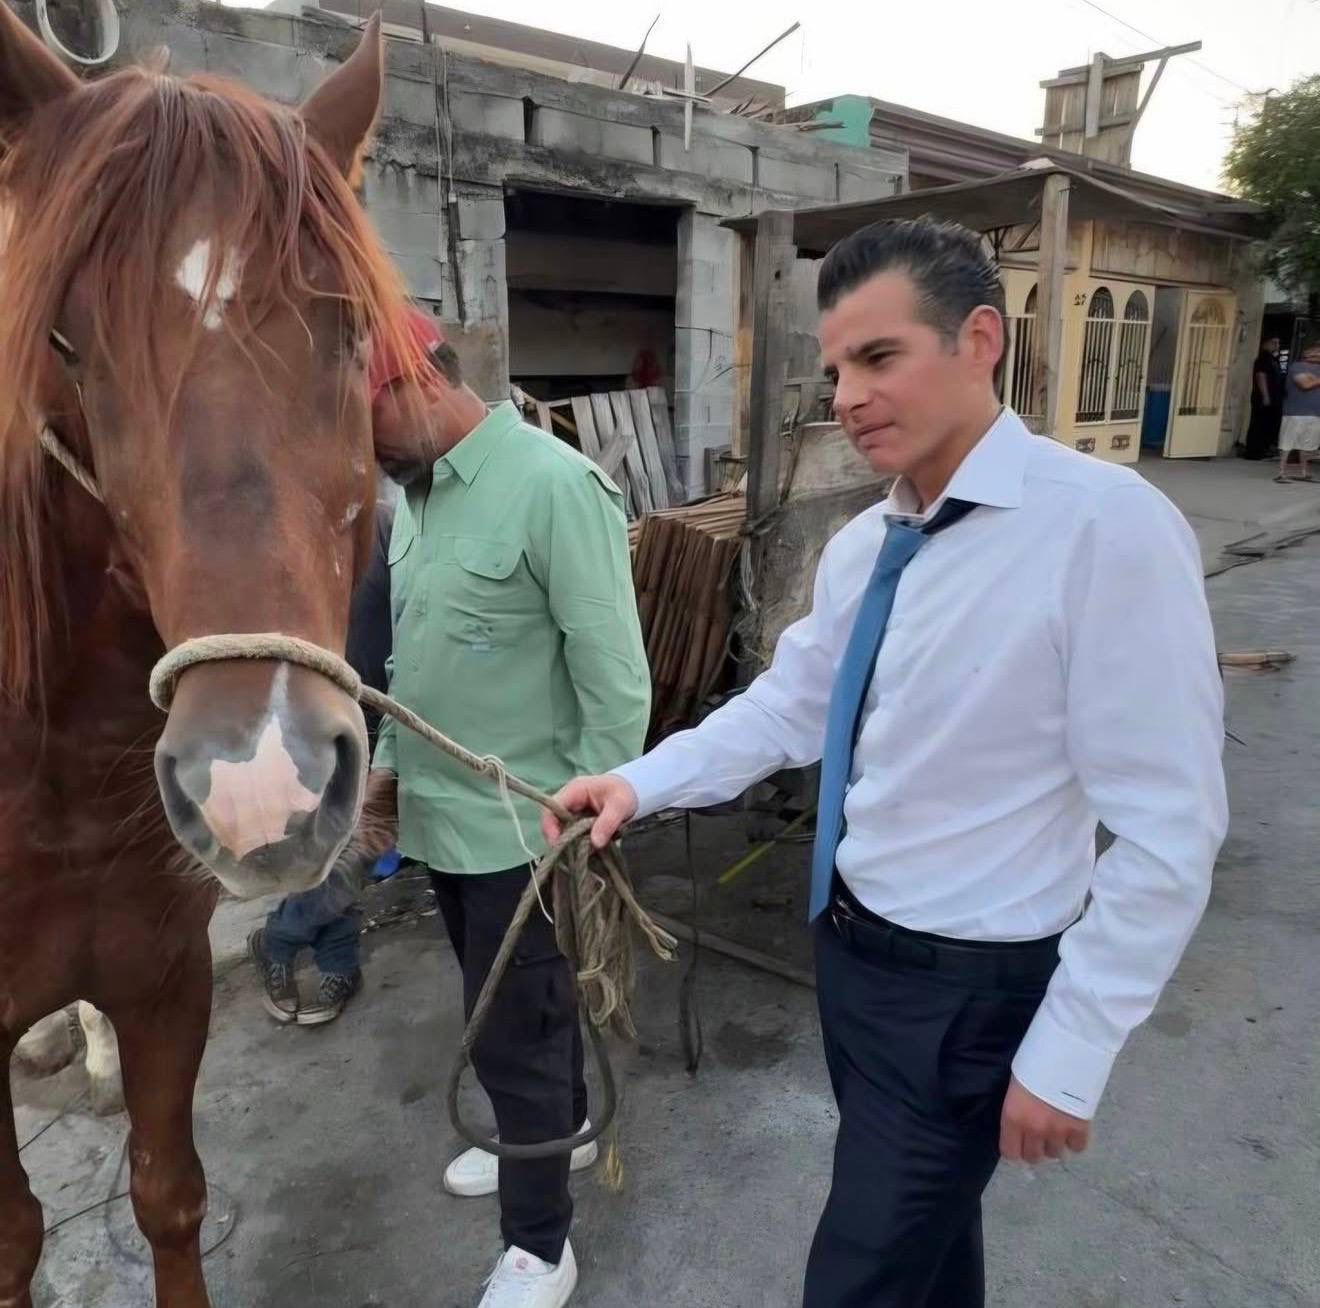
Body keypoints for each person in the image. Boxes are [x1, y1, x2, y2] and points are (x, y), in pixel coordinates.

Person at [546, 218, 1228, 1308]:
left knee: (860, 1276)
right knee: (928, 1251)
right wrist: (641, 782)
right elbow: (794, 704)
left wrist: (1071, 1049)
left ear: (979, 341)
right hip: (855, 952)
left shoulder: (1105, 532)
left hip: (972, 993)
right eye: (835, 371)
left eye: (879, 357)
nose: (850, 397)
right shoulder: (868, 543)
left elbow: (1170, 825)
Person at [366, 332, 650, 1308]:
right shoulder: (412, 501)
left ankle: (540, 1246)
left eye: (365, 421)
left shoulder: (554, 485)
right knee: (511, 1018)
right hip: (443, 825)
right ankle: (554, 1142)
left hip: (526, 835)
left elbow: (616, 686)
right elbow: (407, 664)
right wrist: (387, 771)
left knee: (515, 1037)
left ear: (421, 380)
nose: (364, 453)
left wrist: (584, 826)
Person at [247, 494, 396, 1025]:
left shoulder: (384, 523)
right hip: (301, 726)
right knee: (321, 851)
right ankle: (338, 961)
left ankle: (279, 936)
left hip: (383, 719)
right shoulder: (264, 542)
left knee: (361, 852)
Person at [1276, 340, 1320, 484]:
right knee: (1287, 443)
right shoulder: (1297, 366)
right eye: (1316, 351)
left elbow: (1311, 382)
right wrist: (1314, 380)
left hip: (1315, 413)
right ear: (1307, 353)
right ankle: (1281, 473)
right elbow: (1305, 384)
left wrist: (1314, 379)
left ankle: (1304, 473)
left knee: (1308, 446)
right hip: (1295, 412)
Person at [1242, 335, 1284, 461]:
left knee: (1268, 425)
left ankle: (1262, 450)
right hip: (1263, 398)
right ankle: (1253, 452)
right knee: (1258, 424)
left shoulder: (1274, 360)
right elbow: (1261, 376)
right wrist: (1265, 395)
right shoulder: (1263, 359)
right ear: (1265, 344)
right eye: (1273, 342)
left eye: (1278, 343)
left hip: (1274, 398)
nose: (1276, 346)